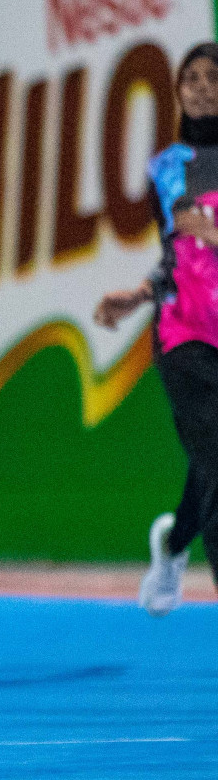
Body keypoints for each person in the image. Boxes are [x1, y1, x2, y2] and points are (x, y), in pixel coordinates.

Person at [95, 42, 218, 617]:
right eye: (189, 78)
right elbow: (177, 256)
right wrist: (139, 294)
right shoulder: (167, 168)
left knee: (211, 459)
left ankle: (172, 547)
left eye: (211, 77)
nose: (198, 87)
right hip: (183, 330)